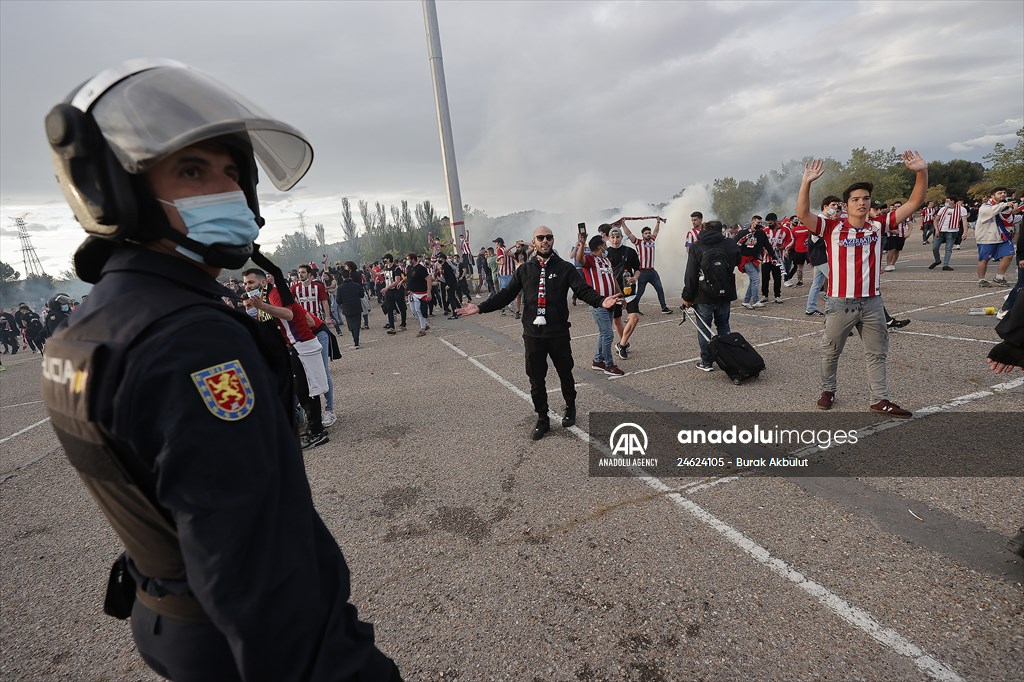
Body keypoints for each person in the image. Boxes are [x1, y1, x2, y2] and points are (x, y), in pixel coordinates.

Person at [39, 58, 398, 681]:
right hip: (240, 643)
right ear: (114, 190)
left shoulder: (90, 326)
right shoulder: (191, 340)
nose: (225, 191)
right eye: (190, 170)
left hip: (170, 615)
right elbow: (257, 575)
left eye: (231, 172)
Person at [796, 151, 928, 418]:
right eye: (855, 199)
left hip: (871, 302)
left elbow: (914, 202)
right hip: (839, 302)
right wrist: (807, 182)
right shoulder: (832, 228)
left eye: (865, 198)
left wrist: (921, 172)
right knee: (831, 352)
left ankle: (879, 399)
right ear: (846, 205)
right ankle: (828, 390)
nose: (861, 203)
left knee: (877, 353)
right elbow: (802, 214)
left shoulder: (879, 226)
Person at [457, 226, 620, 440]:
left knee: (565, 373)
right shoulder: (525, 269)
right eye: (540, 237)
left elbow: (582, 289)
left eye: (549, 237)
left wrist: (600, 301)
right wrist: (481, 307)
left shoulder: (564, 268)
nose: (545, 240)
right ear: (534, 242)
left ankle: (570, 407)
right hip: (533, 335)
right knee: (536, 378)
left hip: (558, 332)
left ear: (553, 240)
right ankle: (542, 418)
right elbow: (506, 294)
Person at [681, 220, 740, 372]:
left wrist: (687, 297)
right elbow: (738, 261)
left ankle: (706, 362)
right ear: (721, 230)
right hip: (725, 292)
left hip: (703, 295)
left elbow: (691, 275)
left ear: (704, 229)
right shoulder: (729, 243)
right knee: (723, 325)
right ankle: (727, 357)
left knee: (704, 328)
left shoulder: (696, 246)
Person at [576, 233, 625, 376]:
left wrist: (620, 295)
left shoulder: (606, 261)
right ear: (599, 246)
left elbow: (612, 279)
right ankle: (609, 365)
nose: (607, 245)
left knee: (604, 333)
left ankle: (598, 360)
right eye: (604, 243)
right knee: (608, 334)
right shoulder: (591, 259)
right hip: (598, 303)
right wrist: (581, 244)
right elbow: (580, 260)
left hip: (611, 302)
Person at [605, 227, 642, 360]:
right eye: (612, 237)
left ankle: (622, 344)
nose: (615, 240)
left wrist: (635, 278)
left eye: (618, 237)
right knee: (617, 320)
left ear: (621, 237)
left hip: (628, 290)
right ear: (609, 238)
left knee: (635, 318)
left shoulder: (630, 252)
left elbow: (638, 269)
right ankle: (624, 344)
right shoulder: (605, 253)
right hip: (613, 292)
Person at [620, 220, 673, 313]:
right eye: (646, 233)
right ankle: (634, 310)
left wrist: (658, 222)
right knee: (640, 292)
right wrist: (623, 223)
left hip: (652, 272)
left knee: (660, 289)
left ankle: (664, 308)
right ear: (642, 235)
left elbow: (656, 231)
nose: (648, 234)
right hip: (642, 272)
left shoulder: (652, 240)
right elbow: (629, 234)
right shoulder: (638, 242)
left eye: (649, 233)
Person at [975, 188, 1018, 287]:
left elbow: (1010, 219)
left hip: (1003, 236)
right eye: (999, 193)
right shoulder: (985, 206)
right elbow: (990, 212)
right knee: (984, 259)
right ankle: (982, 280)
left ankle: (999, 277)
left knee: (1009, 255)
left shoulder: (1005, 207)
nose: (1003, 194)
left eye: (1004, 193)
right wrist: (1004, 205)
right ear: (992, 196)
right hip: (988, 237)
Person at [733, 216, 773, 309]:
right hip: (745, 260)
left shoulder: (761, 234)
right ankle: (755, 301)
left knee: (753, 280)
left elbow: (767, 245)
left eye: (760, 223)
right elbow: (735, 245)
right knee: (755, 279)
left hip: (754, 260)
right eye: (758, 223)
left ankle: (746, 301)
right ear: (752, 222)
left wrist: (774, 256)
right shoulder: (743, 233)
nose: (759, 224)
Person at [930, 197, 967, 271]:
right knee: (935, 247)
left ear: (953, 201)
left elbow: (964, 221)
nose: (946, 202)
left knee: (948, 249)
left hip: (952, 230)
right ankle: (937, 260)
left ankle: (945, 265)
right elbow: (936, 220)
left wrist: (965, 232)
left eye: (948, 201)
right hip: (941, 230)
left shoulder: (961, 209)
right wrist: (936, 229)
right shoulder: (943, 209)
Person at [403, 252, 432, 337]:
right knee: (414, 311)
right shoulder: (410, 268)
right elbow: (408, 278)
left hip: (421, 293)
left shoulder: (421, 268)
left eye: (408, 259)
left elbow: (428, 279)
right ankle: (425, 323)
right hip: (412, 293)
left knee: (419, 310)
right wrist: (402, 281)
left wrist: (429, 292)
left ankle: (422, 329)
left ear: (413, 259)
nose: (407, 261)